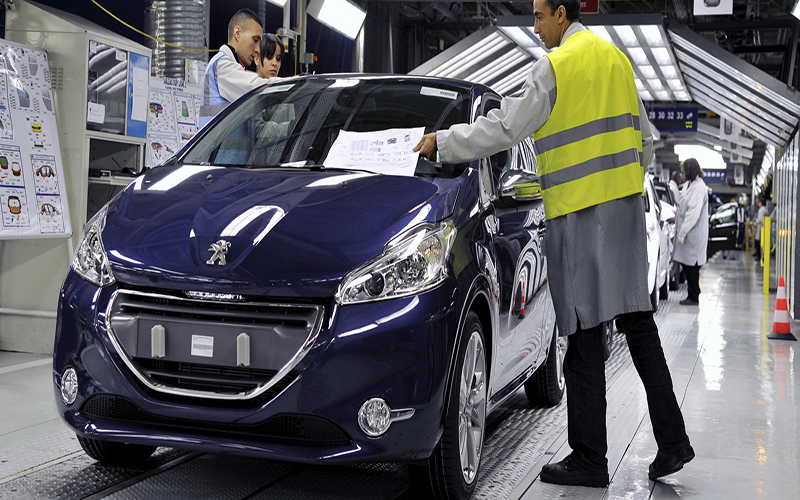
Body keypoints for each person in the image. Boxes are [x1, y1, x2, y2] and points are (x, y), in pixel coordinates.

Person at [413, 0, 692, 487]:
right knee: (638, 325)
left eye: (540, 17)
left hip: (578, 214)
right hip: (623, 214)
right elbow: (646, 141)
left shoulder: (555, 67)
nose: (536, 26)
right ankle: (673, 442)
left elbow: (506, 127)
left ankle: (590, 458)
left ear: (562, 15)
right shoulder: (618, 62)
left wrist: (445, 141)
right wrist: (623, 186)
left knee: (582, 333)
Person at [199, 9, 270, 127]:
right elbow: (254, 86)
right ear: (237, 33)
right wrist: (290, 83)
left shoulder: (232, 67)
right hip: (220, 140)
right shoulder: (222, 65)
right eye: (255, 40)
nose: (258, 49)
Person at [673, 158, 708, 306]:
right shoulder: (689, 185)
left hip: (694, 234)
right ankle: (693, 292)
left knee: (692, 266)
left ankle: (693, 297)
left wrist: (682, 232)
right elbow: (682, 203)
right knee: (687, 265)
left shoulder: (699, 188)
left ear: (690, 171)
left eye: (684, 171)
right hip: (687, 234)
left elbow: (693, 213)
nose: (683, 173)